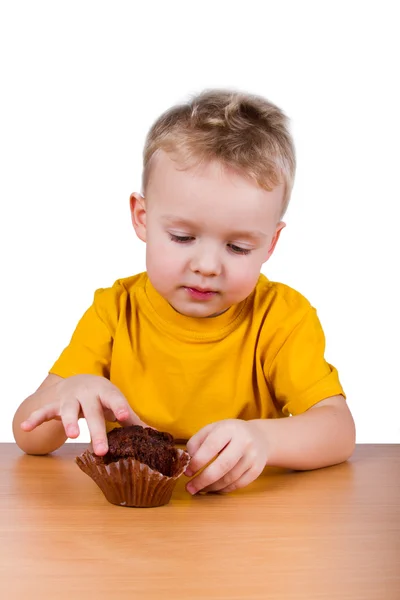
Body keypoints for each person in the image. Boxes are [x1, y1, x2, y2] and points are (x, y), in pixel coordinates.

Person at [12, 89, 356, 495]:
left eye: (238, 247)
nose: (208, 265)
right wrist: (66, 393)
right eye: (182, 236)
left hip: (246, 526)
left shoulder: (281, 318)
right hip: (128, 528)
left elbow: (339, 430)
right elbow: (28, 436)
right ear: (142, 218)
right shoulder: (114, 313)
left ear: (270, 244)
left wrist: (265, 440)